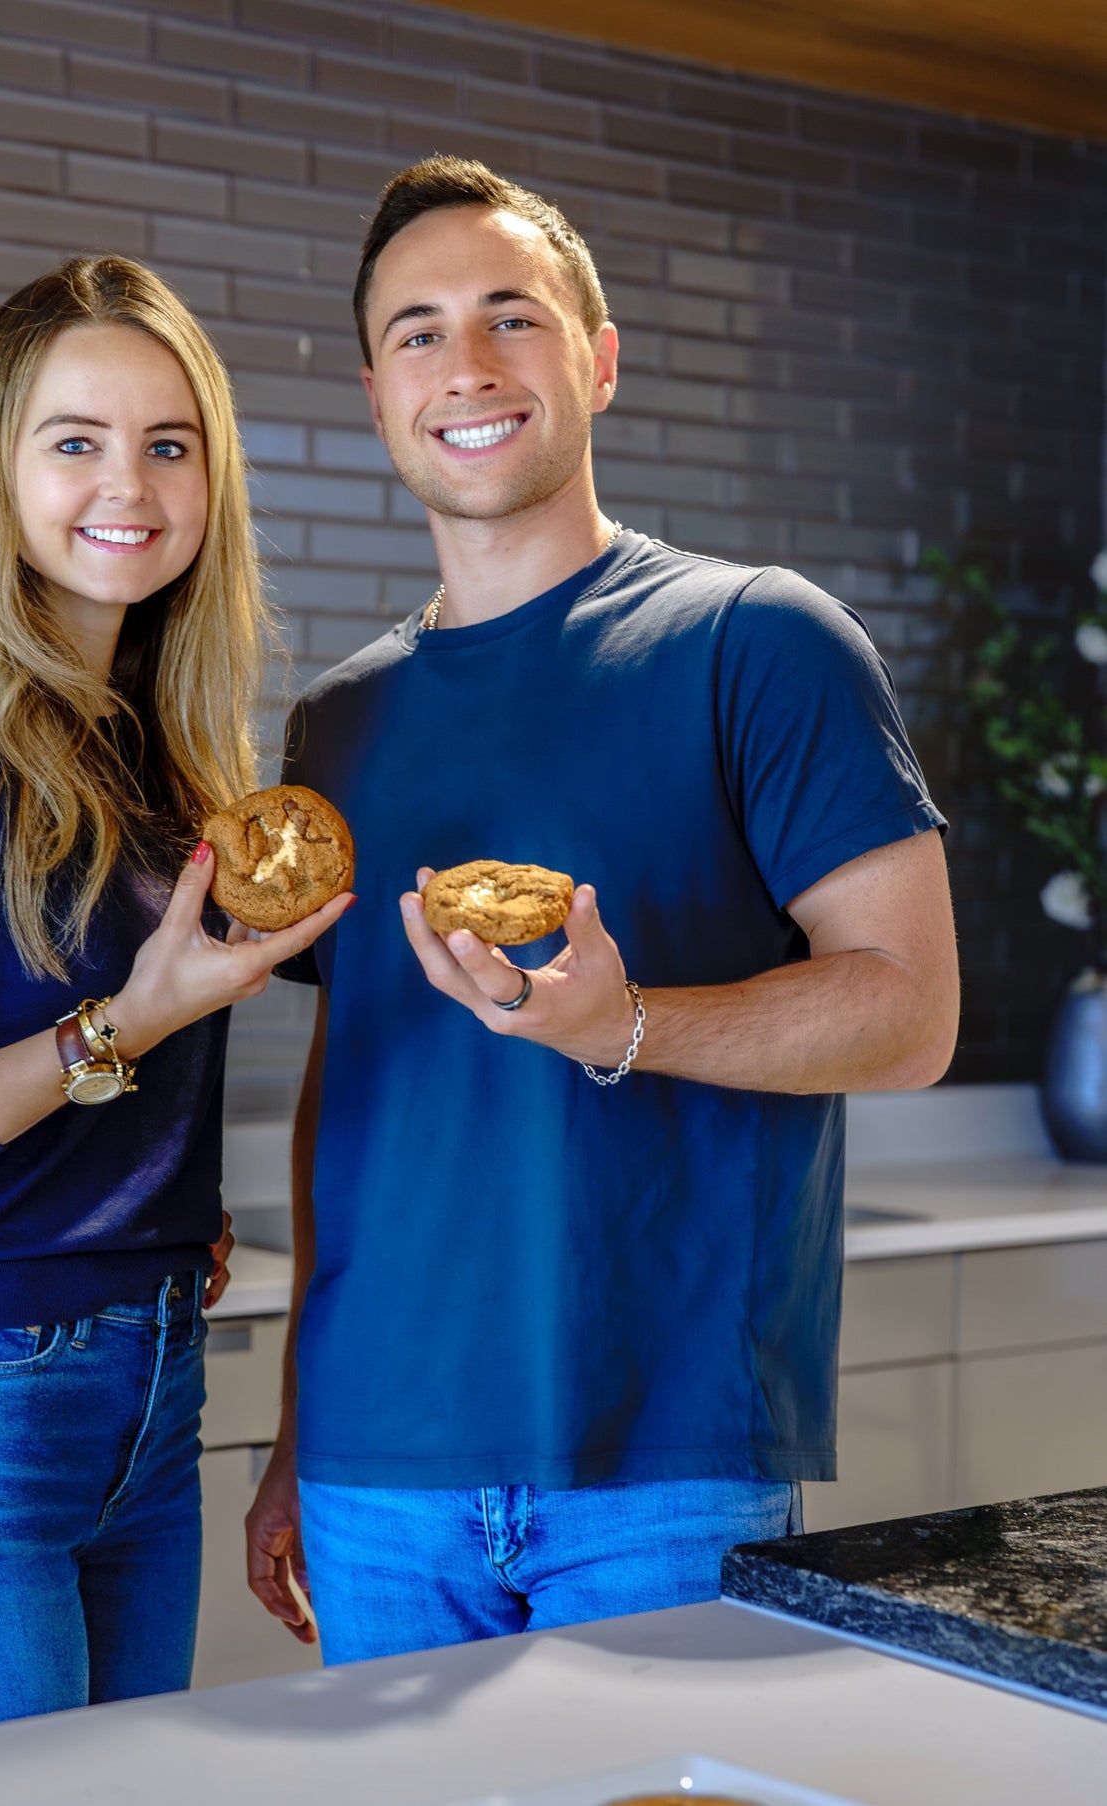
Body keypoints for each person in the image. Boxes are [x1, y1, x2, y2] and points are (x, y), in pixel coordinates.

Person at [245, 157, 959, 1665]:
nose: (468, 364)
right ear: (377, 394)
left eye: (512, 314)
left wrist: (620, 1023)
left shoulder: (756, 641)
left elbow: (907, 1008)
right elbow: (347, 1089)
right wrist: (294, 1420)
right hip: (374, 1464)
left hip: (662, 1459)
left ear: (598, 356)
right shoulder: (335, 723)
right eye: (420, 332)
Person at [0, 255, 350, 1742]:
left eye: (171, 443)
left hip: (149, 1396)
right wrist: (119, 1031)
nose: (132, 484)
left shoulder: (161, 752)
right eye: (76, 440)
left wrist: (157, 1186)